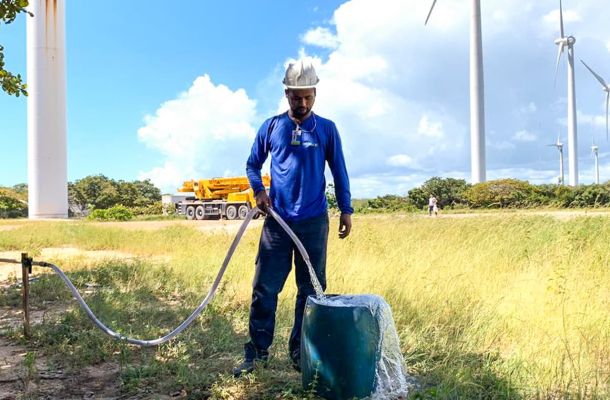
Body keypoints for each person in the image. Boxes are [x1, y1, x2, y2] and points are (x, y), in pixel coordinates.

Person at [234, 59, 353, 377]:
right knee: (265, 289)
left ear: (315, 93)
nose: (302, 103)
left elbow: (339, 170)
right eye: (296, 97)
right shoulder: (272, 127)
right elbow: (252, 164)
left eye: (308, 97)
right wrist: (258, 190)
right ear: (287, 93)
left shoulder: (326, 129)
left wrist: (346, 209)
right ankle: (257, 353)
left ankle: (301, 354)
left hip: (314, 222)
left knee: (312, 291)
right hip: (277, 221)